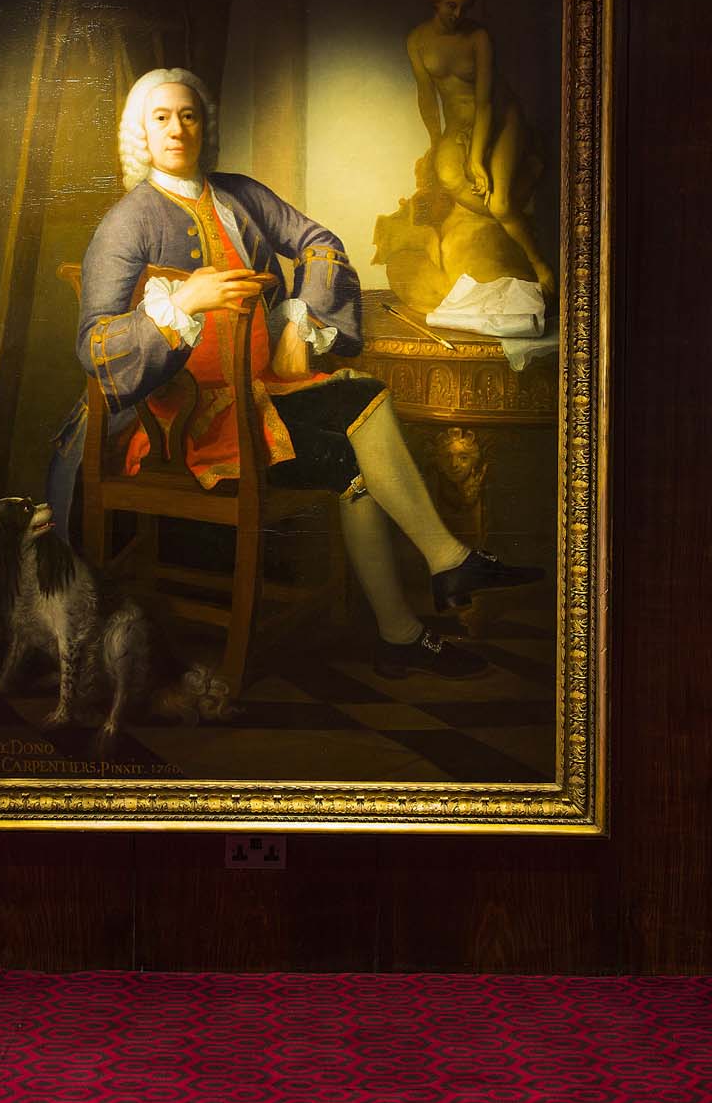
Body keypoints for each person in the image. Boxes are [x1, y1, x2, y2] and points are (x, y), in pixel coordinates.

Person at [48, 67, 539, 679]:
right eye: (161, 118)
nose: (177, 129)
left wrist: (300, 317)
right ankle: (436, 579)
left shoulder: (239, 195)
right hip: (179, 424)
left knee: (359, 428)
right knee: (363, 416)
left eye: (188, 115)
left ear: (205, 124)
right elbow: (94, 344)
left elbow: (319, 240)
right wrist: (183, 306)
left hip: (258, 396)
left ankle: (410, 614)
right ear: (140, 134)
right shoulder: (128, 220)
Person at [400, 0, 554, 299]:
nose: (457, 14)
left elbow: (484, 103)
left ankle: (538, 262)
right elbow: (426, 97)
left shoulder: (478, 37)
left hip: (500, 118)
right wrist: (435, 140)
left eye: (463, 7)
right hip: (459, 126)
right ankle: (520, 194)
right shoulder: (417, 40)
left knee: (498, 203)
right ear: (436, 3)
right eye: (451, 6)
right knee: (448, 177)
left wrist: (477, 158)